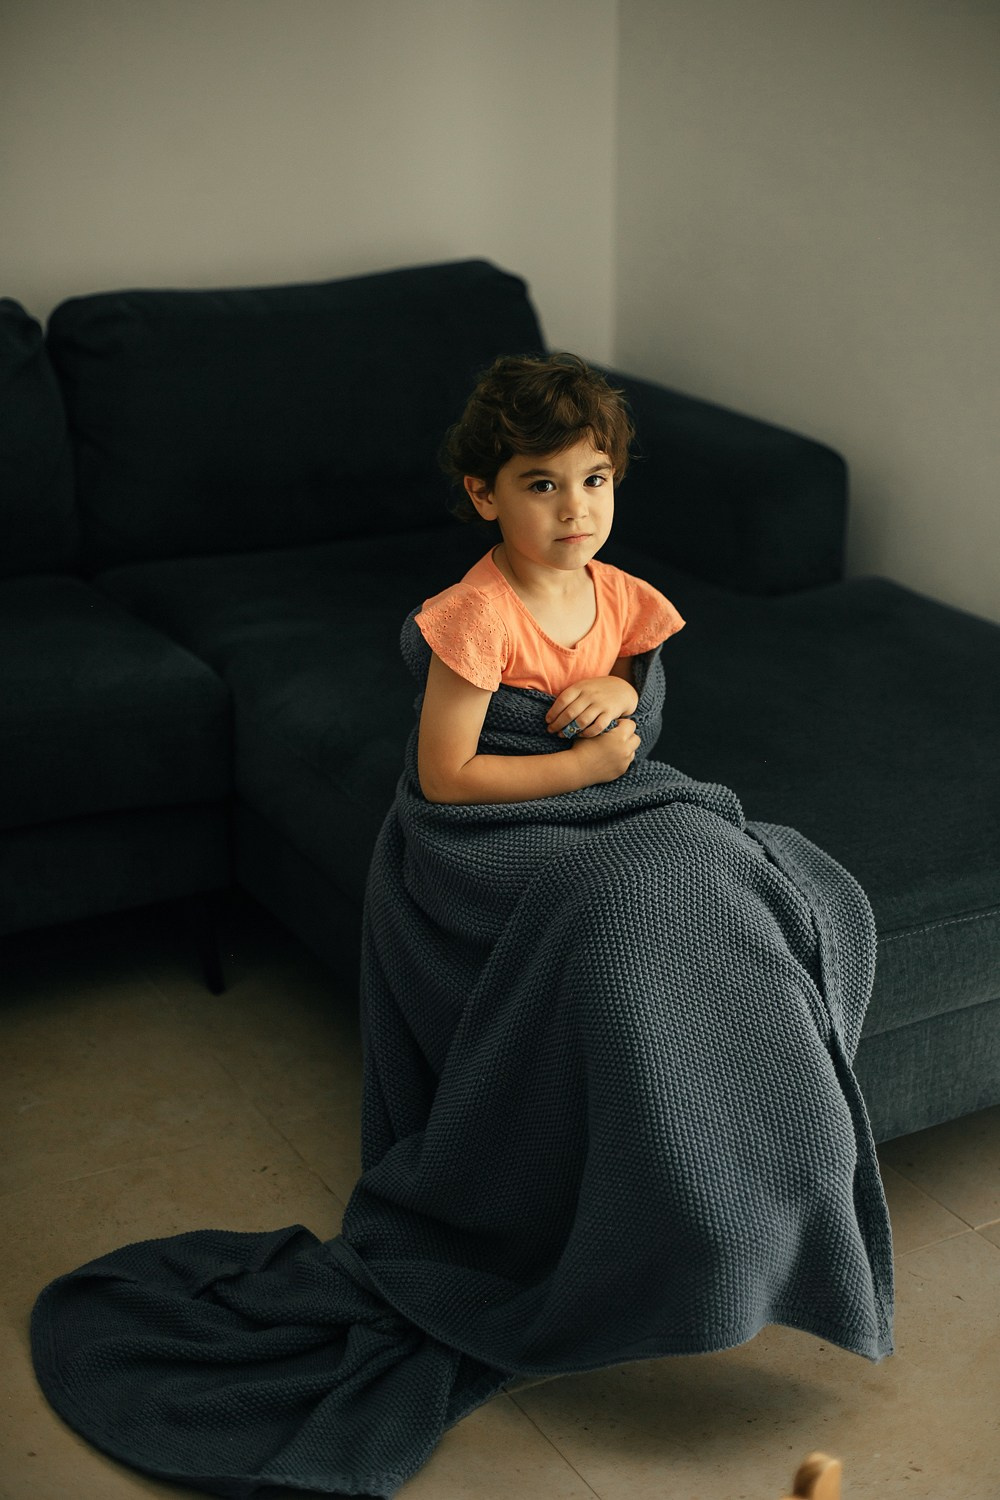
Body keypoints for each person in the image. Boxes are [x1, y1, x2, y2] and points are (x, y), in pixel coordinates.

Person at [414, 353, 686, 806]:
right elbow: (444, 779)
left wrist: (620, 691)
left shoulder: (622, 596)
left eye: (594, 480)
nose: (575, 509)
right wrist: (581, 767)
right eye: (543, 485)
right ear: (484, 494)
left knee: (707, 841)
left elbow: (633, 701)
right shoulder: (477, 618)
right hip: (511, 815)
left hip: (603, 796)